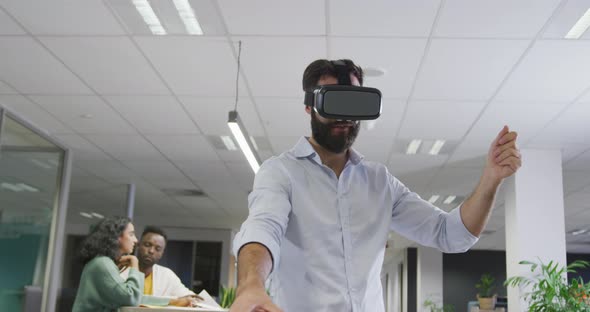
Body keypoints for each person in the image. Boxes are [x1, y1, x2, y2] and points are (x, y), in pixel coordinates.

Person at [230, 59, 522, 312]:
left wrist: (491, 178)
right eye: (334, 102)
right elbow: (263, 228)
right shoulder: (281, 172)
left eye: (353, 104)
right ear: (309, 106)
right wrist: (251, 285)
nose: (344, 117)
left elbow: (452, 235)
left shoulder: (380, 182)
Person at [72, 216, 143, 312]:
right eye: (131, 234)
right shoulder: (103, 263)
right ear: (117, 236)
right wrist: (135, 265)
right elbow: (132, 298)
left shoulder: (101, 261)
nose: (135, 240)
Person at [120, 226, 201, 307]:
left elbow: (188, 296)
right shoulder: (121, 270)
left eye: (157, 249)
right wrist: (173, 301)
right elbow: (130, 299)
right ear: (139, 245)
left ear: (162, 253)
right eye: (147, 245)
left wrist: (191, 300)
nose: (151, 251)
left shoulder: (167, 275)